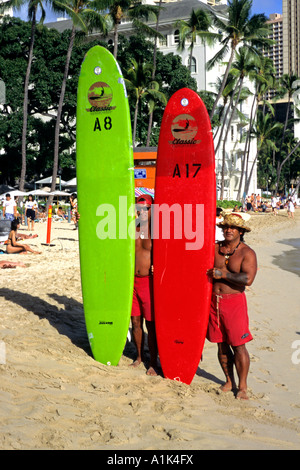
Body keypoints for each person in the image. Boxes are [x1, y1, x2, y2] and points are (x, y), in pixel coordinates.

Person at [206, 212, 257, 400]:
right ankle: (229, 380)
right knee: (221, 345)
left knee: (239, 346)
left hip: (234, 303)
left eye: (233, 228)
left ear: (241, 231)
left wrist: (224, 275)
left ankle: (242, 387)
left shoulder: (247, 253)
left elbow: (248, 279)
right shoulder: (214, 248)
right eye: (226, 227)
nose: (228, 230)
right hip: (213, 302)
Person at [130, 194, 158, 376]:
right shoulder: (131, 228)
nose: (142, 212)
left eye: (146, 209)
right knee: (135, 322)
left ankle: (153, 362)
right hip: (131, 282)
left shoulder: (157, 231)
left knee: (151, 325)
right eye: (139, 209)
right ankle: (139, 356)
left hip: (149, 282)